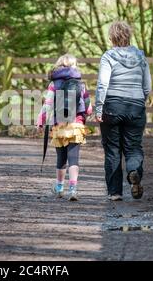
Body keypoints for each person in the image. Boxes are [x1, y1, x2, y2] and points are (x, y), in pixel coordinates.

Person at [95, 21, 151, 201]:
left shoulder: (108, 56)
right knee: (133, 147)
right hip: (135, 105)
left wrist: (99, 107)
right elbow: (147, 85)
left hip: (112, 106)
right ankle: (134, 171)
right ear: (129, 35)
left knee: (112, 149)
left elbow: (103, 84)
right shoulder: (140, 56)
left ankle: (115, 193)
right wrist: (140, 99)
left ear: (111, 37)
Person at [37, 54, 92, 201]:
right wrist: (85, 115)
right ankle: (73, 189)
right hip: (75, 125)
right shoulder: (81, 84)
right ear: (75, 66)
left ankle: (60, 188)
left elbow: (47, 105)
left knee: (61, 159)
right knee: (74, 159)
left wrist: (41, 121)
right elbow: (88, 108)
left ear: (59, 66)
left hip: (59, 125)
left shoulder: (54, 84)